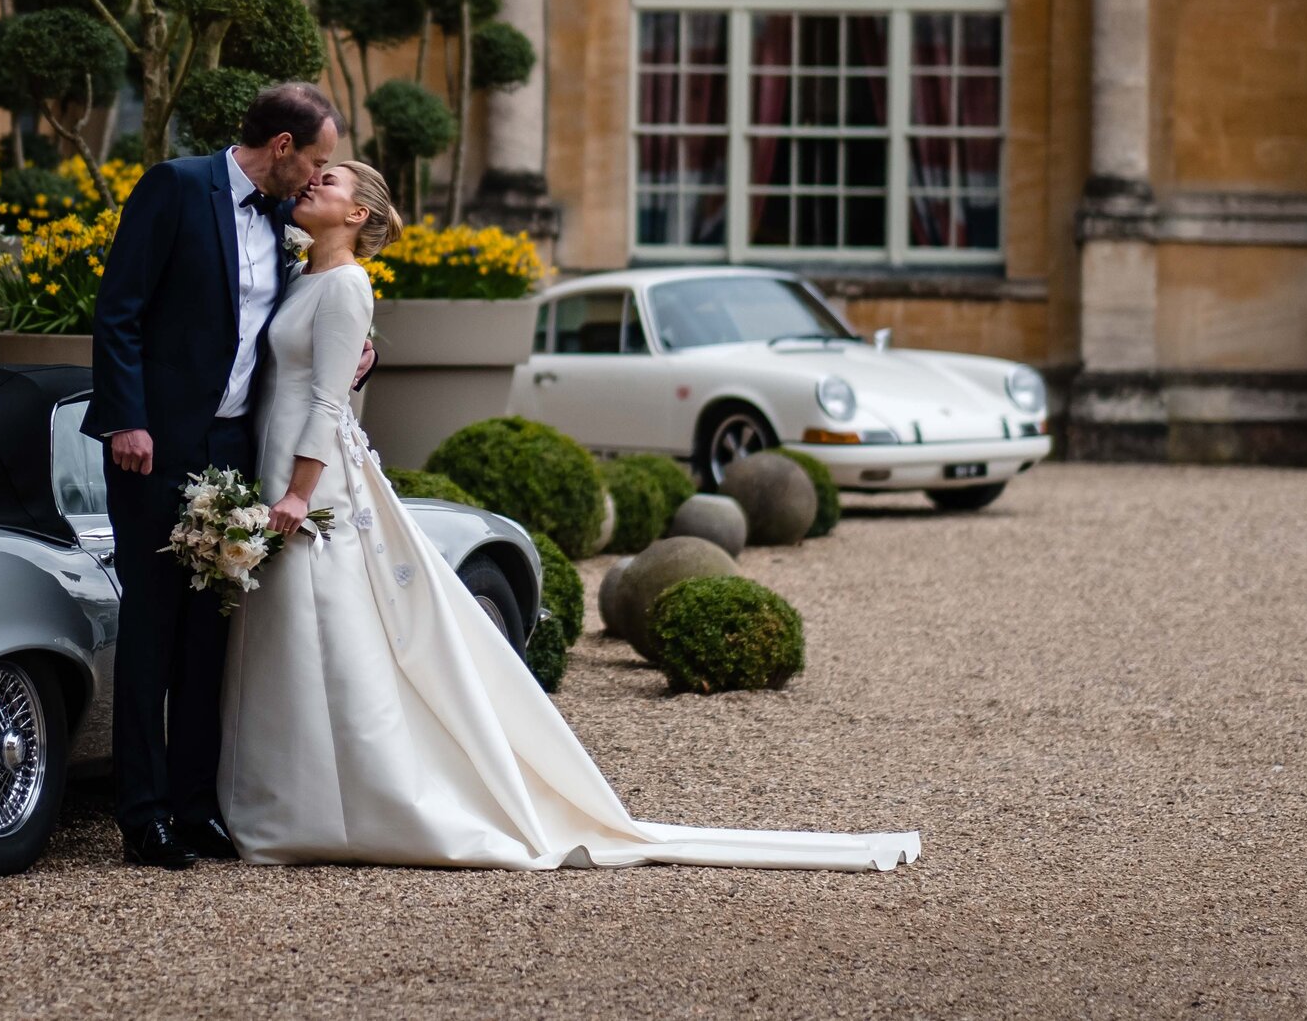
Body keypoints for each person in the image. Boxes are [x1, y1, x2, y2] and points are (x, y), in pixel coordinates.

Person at [217, 159, 921, 873]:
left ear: (359, 214)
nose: (311, 182)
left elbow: (330, 402)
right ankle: (280, 798)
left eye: (329, 182)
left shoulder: (347, 283)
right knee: (292, 631)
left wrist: (301, 492)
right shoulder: (301, 272)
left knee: (327, 629)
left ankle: (337, 805)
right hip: (274, 462)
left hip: (313, 481)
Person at [83, 81, 364, 870]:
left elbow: (321, 319)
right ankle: (143, 817)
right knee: (152, 630)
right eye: (315, 159)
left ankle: (197, 806)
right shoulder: (175, 185)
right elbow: (120, 308)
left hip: (234, 449)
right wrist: (125, 417)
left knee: (211, 636)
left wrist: (363, 355)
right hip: (154, 444)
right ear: (282, 147)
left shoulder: (281, 219)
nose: (317, 177)